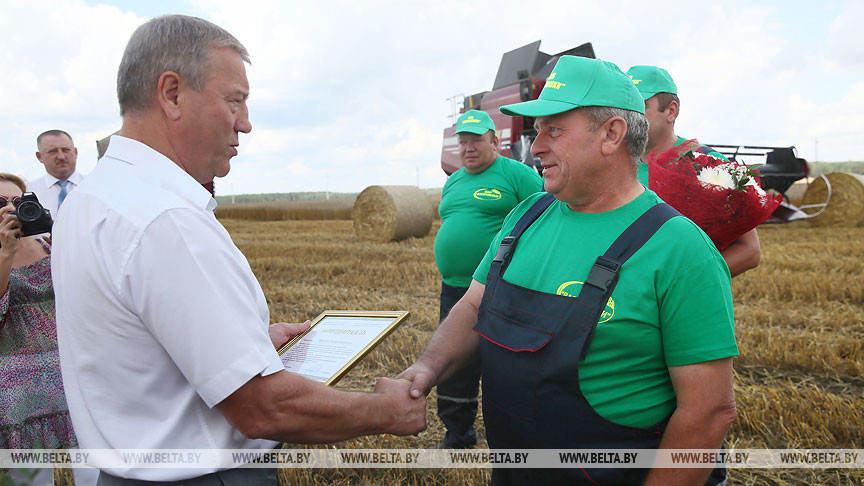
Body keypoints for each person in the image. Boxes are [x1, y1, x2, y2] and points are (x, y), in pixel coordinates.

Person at [52, 15, 425, 484]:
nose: (245, 124)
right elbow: (261, 407)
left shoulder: (93, 198)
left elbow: (133, 349)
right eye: (235, 101)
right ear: (171, 94)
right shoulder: (165, 220)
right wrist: (387, 412)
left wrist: (243, 346)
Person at [399, 56, 738, 485]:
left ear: (612, 134)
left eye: (553, 129)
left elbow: (708, 412)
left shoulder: (681, 250)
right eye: (537, 131)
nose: (536, 147)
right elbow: (472, 306)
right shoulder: (525, 217)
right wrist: (427, 368)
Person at [434, 110, 541, 449]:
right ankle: (457, 433)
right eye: (463, 141)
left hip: (502, 289)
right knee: (453, 362)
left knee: (504, 364)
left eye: (476, 140)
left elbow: (548, 216)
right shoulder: (453, 180)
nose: (468, 147)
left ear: (495, 141)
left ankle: (511, 439)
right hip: (453, 288)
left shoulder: (517, 175)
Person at [627, 65, 761, 277]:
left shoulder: (709, 166)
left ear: (671, 111)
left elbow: (749, 251)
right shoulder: (618, 165)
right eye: (626, 107)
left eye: (641, 107)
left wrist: (681, 284)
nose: (630, 116)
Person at [0, 173, 75, 486]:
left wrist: (67, 240)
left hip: (69, 380)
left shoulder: (48, 242)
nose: (9, 209)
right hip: (17, 396)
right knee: (29, 480)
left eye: (17, 202)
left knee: (89, 475)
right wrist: (5, 252)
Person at [28, 130, 85, 220]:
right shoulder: (29, 191)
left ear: (76, 152)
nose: (61, 157)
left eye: (66, 150)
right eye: (52, 151)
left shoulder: (96, 186)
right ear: (39, 156)